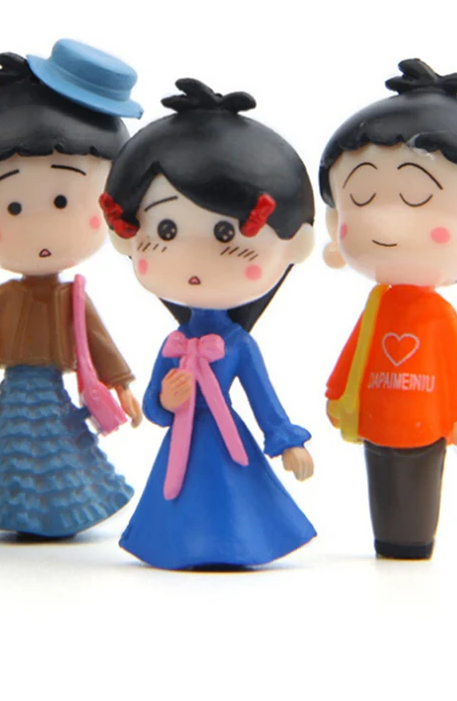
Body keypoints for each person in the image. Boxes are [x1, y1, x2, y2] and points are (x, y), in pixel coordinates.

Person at [102, 78, 316, 569]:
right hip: (182, 442)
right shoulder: (174, 343)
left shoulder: (238, 345)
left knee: (235, 500)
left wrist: (289, 444)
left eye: (225, 234)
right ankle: (174, 543)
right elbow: (155, 409)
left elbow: (263, 400)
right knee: (177, 502)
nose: (194, 258)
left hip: (226, 442)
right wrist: (165, 399)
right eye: (166, 230)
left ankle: (236, 542)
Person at [320, 58, 457, 559]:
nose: (384, 223)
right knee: (382, 481)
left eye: (416, 197)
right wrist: (337, 391)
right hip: (378, 419)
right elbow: (355, 352)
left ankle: (415, 542)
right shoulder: (377, 306)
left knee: (418, 487)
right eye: (362, 197)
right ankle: (389, 540)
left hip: (426, 423)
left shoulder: (439, 316)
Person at [0, 40, 143, 538]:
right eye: (11, 207)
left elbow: (97, 340)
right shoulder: (5, 298)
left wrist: (121, 383)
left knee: (62, 450)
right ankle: (12, 512)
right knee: (15, 450)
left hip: (54, 389)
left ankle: (64, 512)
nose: (40, 226)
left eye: (63, 201)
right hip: (17, 389)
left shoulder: (73, 295)